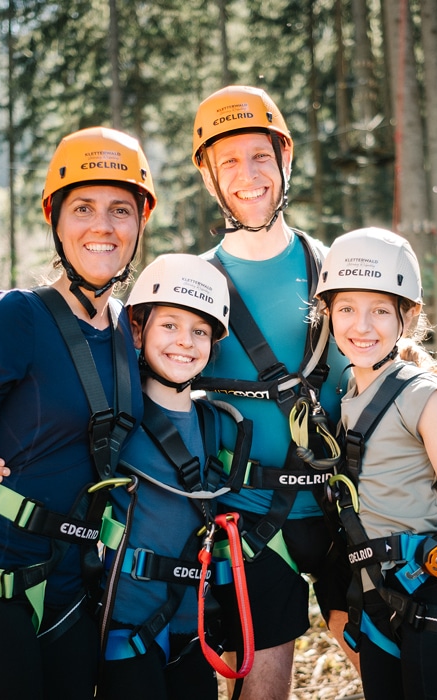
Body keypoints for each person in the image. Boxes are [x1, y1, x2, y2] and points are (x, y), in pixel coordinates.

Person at [0, 126, 156, 700]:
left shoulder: (130, 329)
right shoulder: (16, 316)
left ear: (140, 222)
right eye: (84, 208)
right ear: (57, 220)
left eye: (121, 209)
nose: (103, 225)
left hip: (74, 581)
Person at [191, 84, 359, 699]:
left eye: (260, 156)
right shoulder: (194, 285)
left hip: (349, 514)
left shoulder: (339, 266)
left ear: (285, 160)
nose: (248, 175)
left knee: (400, 668)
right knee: (261, 690)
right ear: (209, 178)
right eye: (228, 161)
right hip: (251, 521)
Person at [96, 253, 252, 700]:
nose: (184, 342)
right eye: (170, 326)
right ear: (139, 329)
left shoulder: (214, 422)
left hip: (194, 629)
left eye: (199, 332)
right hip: (125, 628)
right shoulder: (115, 416)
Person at [315, 227, 437, 700]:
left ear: (408, 316)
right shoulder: (348, 398)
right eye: (346, 309)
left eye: (379, 310)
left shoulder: (425, 397)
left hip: (433, 601)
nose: (362, 326)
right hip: (376, 604)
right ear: (327, 314)